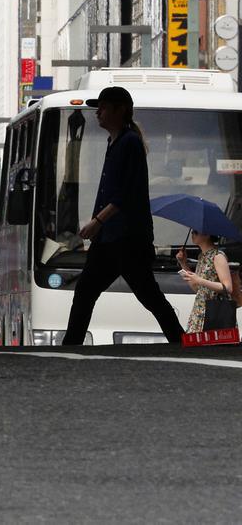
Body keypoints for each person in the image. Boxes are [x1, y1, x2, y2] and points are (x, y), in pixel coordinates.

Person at [61, 86, 183, 344]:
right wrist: (99, 225)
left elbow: (126, 193)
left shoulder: (130, 142)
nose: (98, 113)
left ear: (120, 110)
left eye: (103, 108)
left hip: (127, 239)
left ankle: (180, 340)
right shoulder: (114, 142)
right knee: (88, 291)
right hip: (110, 238)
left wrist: (97, 221)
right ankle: (71, 344)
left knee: (147, 295)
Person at [178, 231, 236, 334]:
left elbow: (228, 287)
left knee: (211, 342)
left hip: (214, 312)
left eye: (195, 232)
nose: (192, 234)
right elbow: (197, 288)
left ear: (207, 235)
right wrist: (183, 263)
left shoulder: (218, 256)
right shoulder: (202, 256)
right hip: (200, 311)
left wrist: (200, 280)